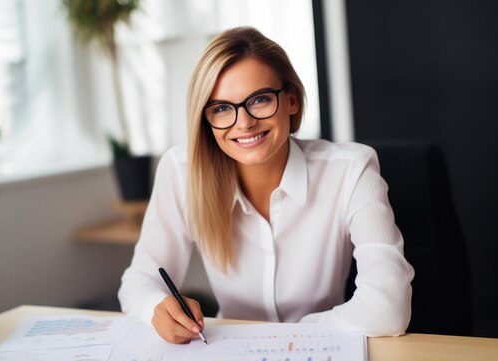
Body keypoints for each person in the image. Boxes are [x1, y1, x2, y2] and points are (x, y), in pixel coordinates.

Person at [118, 26, 414, 343]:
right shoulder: (181, 171)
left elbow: (387, 309)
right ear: (206, 120)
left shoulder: (352, 169)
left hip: (324, 353)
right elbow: (138, 281)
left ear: (292, 100)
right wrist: (156, 307)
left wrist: (279, 338)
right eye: (221, 108)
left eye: (259, 100)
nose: (243, 122)